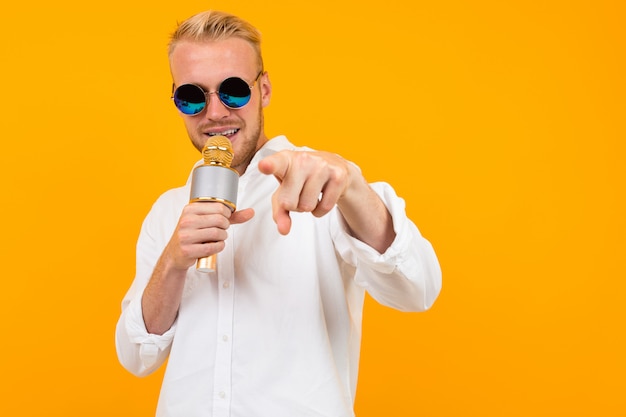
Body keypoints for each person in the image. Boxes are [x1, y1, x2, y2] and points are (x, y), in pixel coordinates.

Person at [115, 10, 442, 417]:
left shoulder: (322, 182)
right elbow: (136, 357)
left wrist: (354, 187)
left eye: (233, 90)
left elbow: (418, 290)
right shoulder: (167, 211)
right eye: (193, 95)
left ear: (264, 89)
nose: (215, 113)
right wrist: (173, 262)